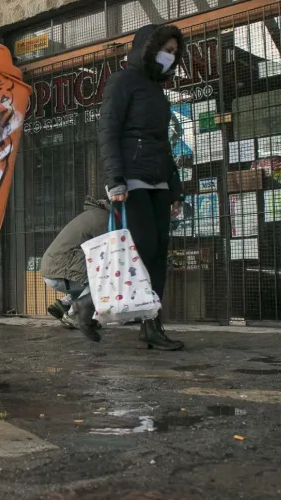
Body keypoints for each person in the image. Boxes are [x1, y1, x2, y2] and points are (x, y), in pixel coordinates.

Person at [97, 23, 186, 351]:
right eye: (166, 49)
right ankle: (84, 305)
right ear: (148, 48)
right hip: (131, 180)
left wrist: (175, 189)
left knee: (159, 252)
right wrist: (115, 179)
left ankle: (152, 325)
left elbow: (164, 144)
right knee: (143, 248)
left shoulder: (158, 92)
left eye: (175, 53)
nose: (170, 57)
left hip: (158, 181)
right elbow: (107, 130)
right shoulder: (122, 82)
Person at [41, 197, 110, 340]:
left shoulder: (94, 214)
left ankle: (65, 303)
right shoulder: (103, 219)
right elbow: (108, 254)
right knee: (106, 278)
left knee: (98, 275)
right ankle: (74, 313)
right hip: (60, 271)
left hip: (54, 269)